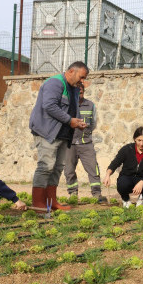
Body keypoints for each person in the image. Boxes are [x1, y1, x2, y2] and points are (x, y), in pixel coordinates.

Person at [29, 61, 89, 211]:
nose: (83, 81)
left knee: (57, 168)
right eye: (81, 77)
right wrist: (70, 121)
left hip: (63, 134)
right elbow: (49, 106)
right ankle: (38, 204)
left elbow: (72, 109)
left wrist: (78, 122)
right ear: (70, 71)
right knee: (46, 166)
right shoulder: (55, 83)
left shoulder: (75, 89)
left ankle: (51, 202)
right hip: (47, 132)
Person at [63, 81, 105, 203]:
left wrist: (86, 131)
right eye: (77, 91)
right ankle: (73, 194)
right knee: (69, 170)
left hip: (86, 143)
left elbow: (94, 124)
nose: (79, 93)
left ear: (83, 92)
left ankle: (97, 194)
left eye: (81, 91)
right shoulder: (67, 106)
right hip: (70, 144)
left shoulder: (91, 105)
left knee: (93, 169)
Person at [103, 127, 143, 208]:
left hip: (142, 179)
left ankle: (142, 199)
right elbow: (115, 163)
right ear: (135, 139)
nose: (141, 144)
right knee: (122, 184)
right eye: (139, 140)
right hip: (127, 177)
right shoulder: (127, 149)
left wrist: (142, 182)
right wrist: (107, 175)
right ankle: (125, 199)